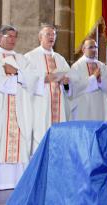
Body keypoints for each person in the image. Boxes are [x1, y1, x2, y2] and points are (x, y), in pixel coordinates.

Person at [0, 25, 39, 190]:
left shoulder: (22, 58)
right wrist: (16, 78)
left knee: (20, 142)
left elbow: (33, 79)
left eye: (14, 37)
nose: (12, 39)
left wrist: (15, 73)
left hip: (20, 107)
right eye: (8, 36)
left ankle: (18, 181)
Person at [24, 24, 71, 154]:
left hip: (58, 106)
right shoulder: (30, 57)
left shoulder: (60, 58)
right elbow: (25, 80)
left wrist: (66, 82)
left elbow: (69, 81)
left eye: (54, 35)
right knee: (40, 135)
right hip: (40, 104)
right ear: (40, 37)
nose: (51, 37)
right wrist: (43, 79)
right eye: (48, 34)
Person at [68, 39, 107, 121]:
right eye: (90, 47)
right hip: (84, 106)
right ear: (83, 49)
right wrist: (93, 78)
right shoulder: (77, 66)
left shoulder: (101, 66)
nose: (94, 50)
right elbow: (74, 87)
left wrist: (101, 81)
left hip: (100, 106)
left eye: (96, 47)